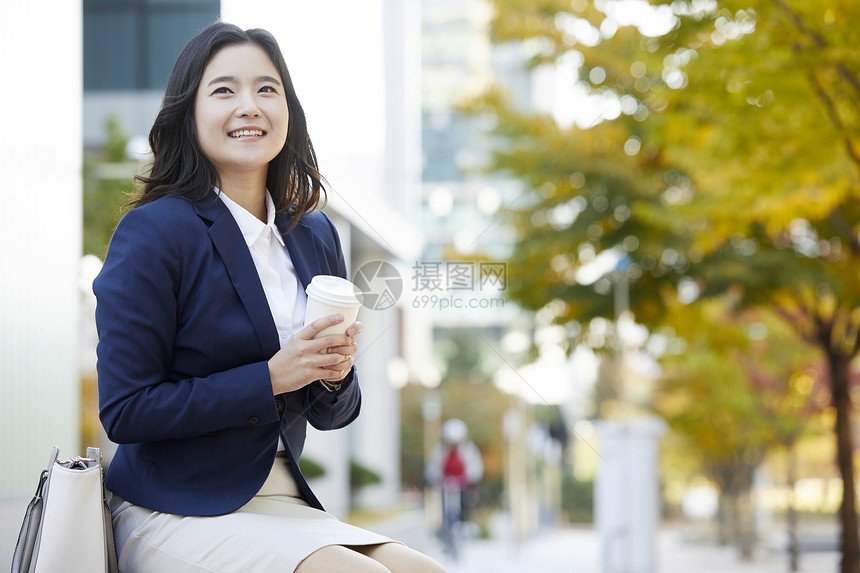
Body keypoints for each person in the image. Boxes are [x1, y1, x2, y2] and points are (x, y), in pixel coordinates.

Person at [94, 21, 446, 573]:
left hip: (285, 502)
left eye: (266, 89)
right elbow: (125, 409)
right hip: (173, 507)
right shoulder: (155, 232)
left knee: (427, 570)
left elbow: (336, 414)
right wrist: (272, 377)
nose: (249, 105)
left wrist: (332, 372)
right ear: (189, 113)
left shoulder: (314, 234)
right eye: (224, 90)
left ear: (288, 110)